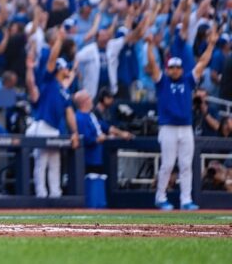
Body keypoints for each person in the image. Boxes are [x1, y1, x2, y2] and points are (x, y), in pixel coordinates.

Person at [147, 28, 218, 210]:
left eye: (178, 67)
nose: (175, 70)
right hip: (168, 127)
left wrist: (211, 44)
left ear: (181, 69)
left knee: (186, 164)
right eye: (172, 67)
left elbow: (202, 63)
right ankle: (160, 196)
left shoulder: (187, 80)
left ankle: (186, 199)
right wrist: (149, 45)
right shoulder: (163, 82)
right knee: (168, 164)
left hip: (186, 127)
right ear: (168, 69)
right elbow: (153, 65)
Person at [26, 27, 79, 199]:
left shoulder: (63, 89)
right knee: (42, 162)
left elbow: (69, 112)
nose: (66, 70)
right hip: (43, 124)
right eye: (64, 68)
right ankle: (41, 195)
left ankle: (55, 194)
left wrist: (75, 132)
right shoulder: (48, 81)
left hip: (55, 128)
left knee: (55, 163)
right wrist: (59, 41)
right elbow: (51, 60)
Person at [73, 90, 132, 208]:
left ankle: (99, 205)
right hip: (88, 158)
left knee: (99, 181)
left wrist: (121, 133)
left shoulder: (91, 115)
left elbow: (104, 126)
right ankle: (91, 206)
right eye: (89, 98)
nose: (91, 100)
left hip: (97, 157)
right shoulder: (79, 118)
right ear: (84, 101)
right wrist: (99, 138)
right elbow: (86, 139)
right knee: (92, 182)